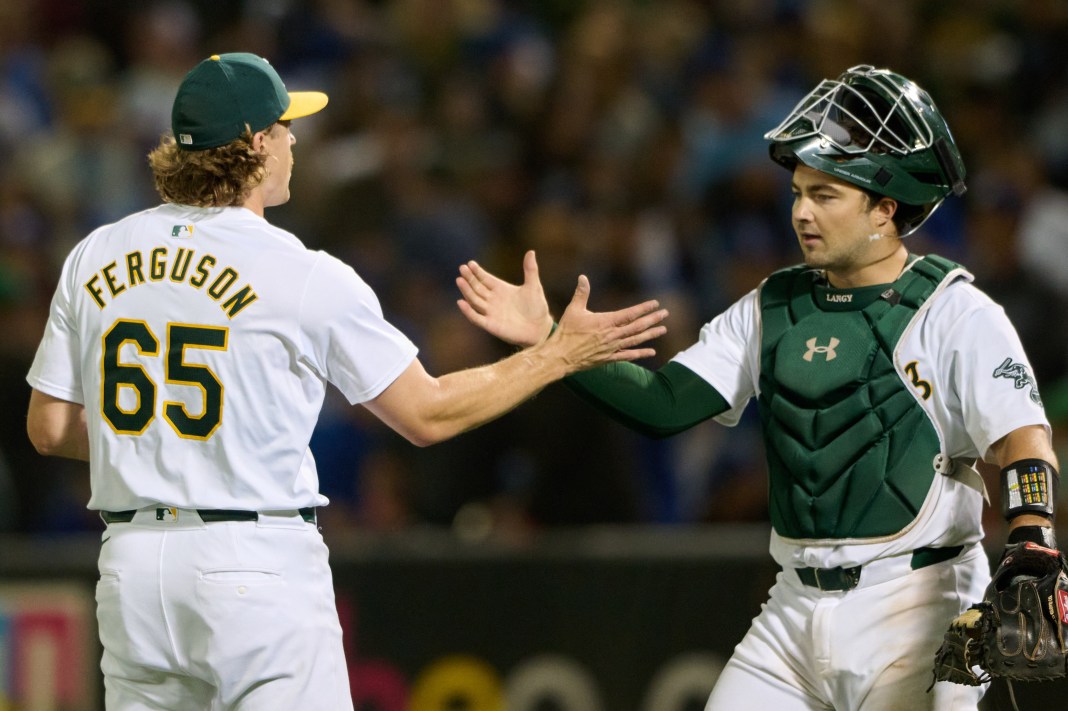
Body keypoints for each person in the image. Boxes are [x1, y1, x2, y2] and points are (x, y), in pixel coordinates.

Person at [23, 52, 667, 710]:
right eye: (283, 126)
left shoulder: (95, 253)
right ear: (253, 143)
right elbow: (427, 413)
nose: (295, 140)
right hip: (253, 563)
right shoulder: (298, 272)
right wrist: (557, 355)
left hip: (132, 567)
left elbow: (47, 427)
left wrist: (161, 450)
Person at [456, 65, 1059, 710]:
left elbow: (1022, 439)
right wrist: (554, 344)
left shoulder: (957, 312)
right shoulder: (774, 305)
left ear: (885, 209)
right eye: (798, 191)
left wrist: (1032, 541)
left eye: (826, 195)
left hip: (920, 599)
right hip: (794, 605)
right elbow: (665, 406)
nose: (801, 211)